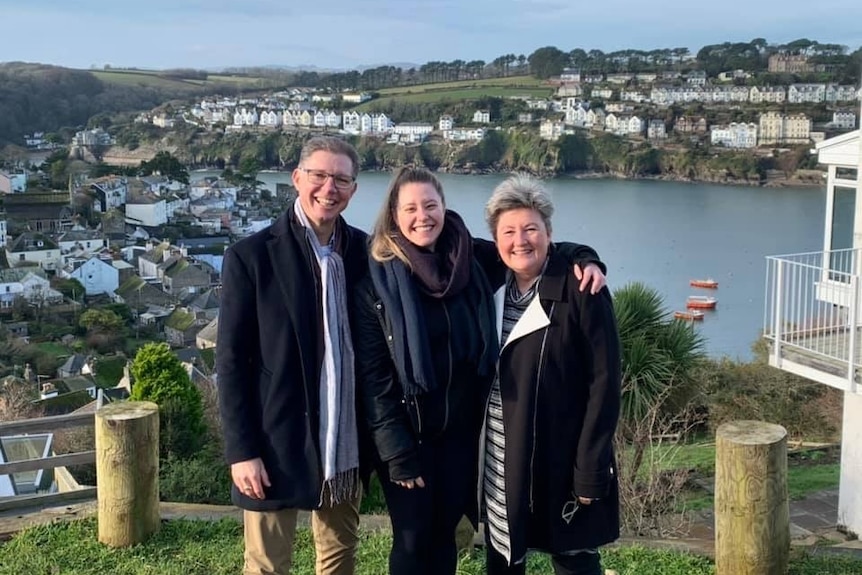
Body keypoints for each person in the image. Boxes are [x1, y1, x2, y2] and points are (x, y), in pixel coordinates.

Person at [351, 166, 606, 575]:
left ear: (444, 207)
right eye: (411, 208)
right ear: (394, 216)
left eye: (430, 205)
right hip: (409, 436)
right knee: (414, 538)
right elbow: (375, 381)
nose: (423, 216)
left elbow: (525, 247)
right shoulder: (375, 285)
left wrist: (584, 257)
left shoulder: (468, 260)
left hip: (462, 436)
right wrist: (397, 453)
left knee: (445, 534)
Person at [217, 136, 368, 575]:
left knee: (339, 556)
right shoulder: (251, 257)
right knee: (267, 563)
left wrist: (572, 254)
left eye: (341, 179)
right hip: (273, 440)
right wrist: (241, 451)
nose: (329, 188)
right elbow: (230, 363)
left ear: (354, 189)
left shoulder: (366, 253)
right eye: (319, 175)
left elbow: (448, 249)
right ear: (297, 178)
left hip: (345, 442)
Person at [481, 174, 621, 575]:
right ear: (495, 241)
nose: (520, 241)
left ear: (549, 234)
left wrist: (591, 468)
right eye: (508, 231)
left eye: (531, 229)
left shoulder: (581, 290)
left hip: (563, 452)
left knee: (574, 556)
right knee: (505, 554)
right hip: (499, 452)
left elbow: (605, 383)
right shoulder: (489, 285)